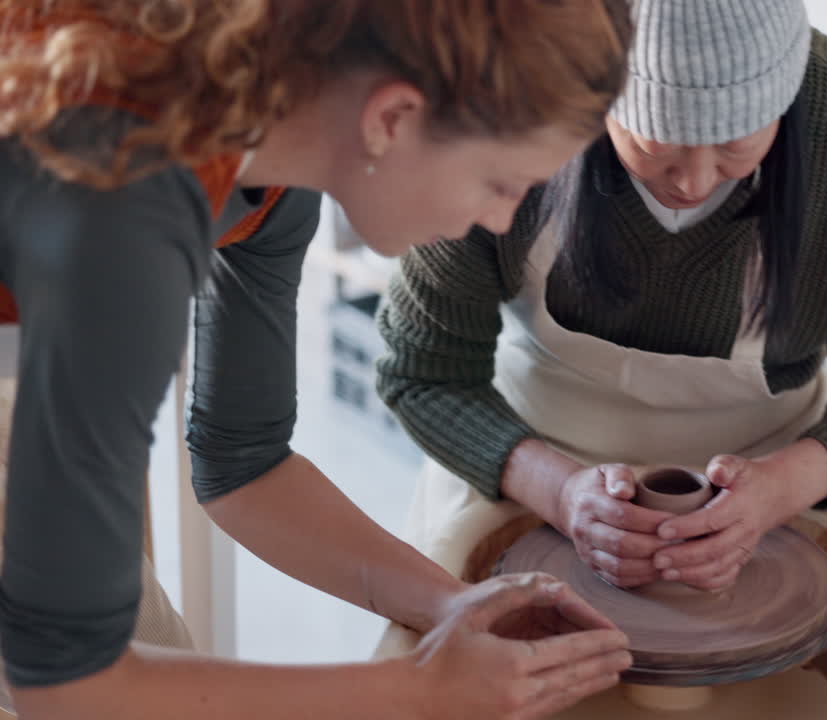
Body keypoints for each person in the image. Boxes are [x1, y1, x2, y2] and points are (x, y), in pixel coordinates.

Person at [0, 1, 637, 718]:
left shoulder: (273, 167)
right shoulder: (128, 214)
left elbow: (242, 466)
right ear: (392, 118)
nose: (500, 221)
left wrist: (454, 604)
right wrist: (420, 692)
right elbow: (62, 684)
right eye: (502, 184)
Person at [377, 0, 827, 716]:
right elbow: (422, 371)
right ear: (597, 97)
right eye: (660, 144)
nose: (693, 180)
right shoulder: (512, 106)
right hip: (529, 466)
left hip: (769, 482)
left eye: (735, 146)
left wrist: (774, 492)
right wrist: (560, 492)